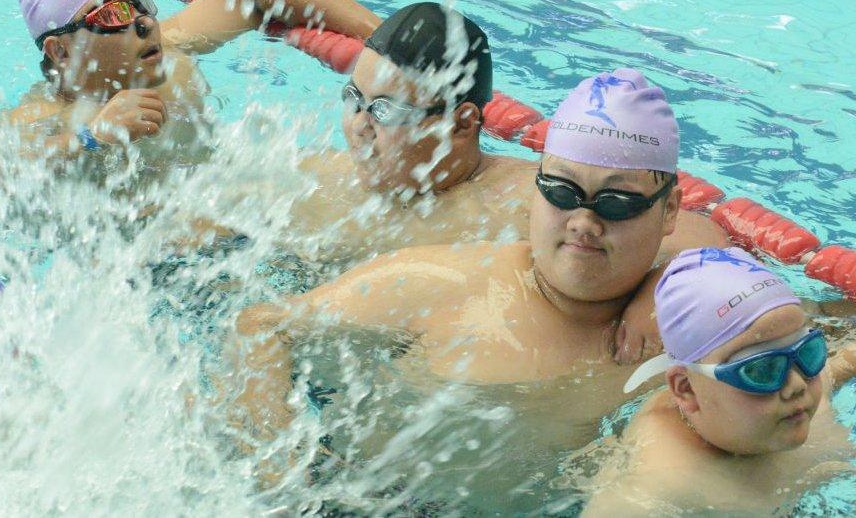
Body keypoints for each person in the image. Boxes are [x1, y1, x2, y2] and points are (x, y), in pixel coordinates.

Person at [224, 68, 715, 510]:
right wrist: (286, 477)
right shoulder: (435, 283)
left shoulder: (702, 322)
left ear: (669, 210)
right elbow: (261, 326)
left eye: (616, 202)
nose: (583, 223)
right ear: (536, 188)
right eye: (561, 192)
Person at [260, 2, 728, 264]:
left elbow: (695, 232)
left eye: (384, 110)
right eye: (353, 101)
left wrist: (653, 301)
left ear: (462, 123)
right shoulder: (317, 178)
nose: (359, 127)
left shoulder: (525, 198)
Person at [0, 0, 380, 206]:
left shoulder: (171, 50)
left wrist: (383, 37)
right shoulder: (43, 120)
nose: (144, 22)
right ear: (61, 52)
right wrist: (90, 137)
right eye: (112, 15)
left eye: (141, 3)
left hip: (221, 213)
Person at [581, 247, 856, 515]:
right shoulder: (657, 489)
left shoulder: (795, 383)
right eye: (761, 370)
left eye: (808, 350)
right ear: (686, 389)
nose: (797, 384)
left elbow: (839, 364)